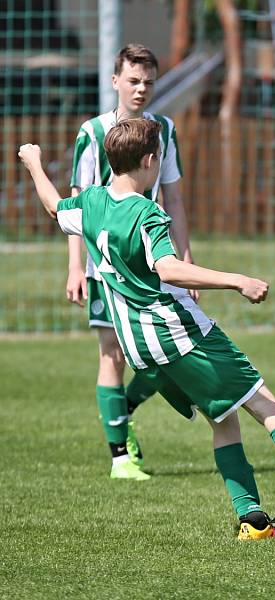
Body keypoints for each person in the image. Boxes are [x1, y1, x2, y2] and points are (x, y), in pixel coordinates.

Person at [18, 119, 275, 541]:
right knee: (267, 406)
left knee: (224, 420)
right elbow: (168, 267)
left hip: (140, 349)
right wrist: (238, 280)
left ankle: (252, 521)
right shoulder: (147, 212)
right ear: (149, 160)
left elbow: (53, 207)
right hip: (179, 334)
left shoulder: (91, 201)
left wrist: (33, 161)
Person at [67, 44, 193, 480]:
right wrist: (74, 268)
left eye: (149, 82)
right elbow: (76, 205)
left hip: (152, 261)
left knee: (168, 356)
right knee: (112, 354)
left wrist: (186, 259)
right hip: (103, 265)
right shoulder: (94, 132)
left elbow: (173, 195)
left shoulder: (164, 130)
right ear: (116, 80)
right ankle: (121, 456)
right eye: (133, 80)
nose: (141, 89)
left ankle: (125, 409)